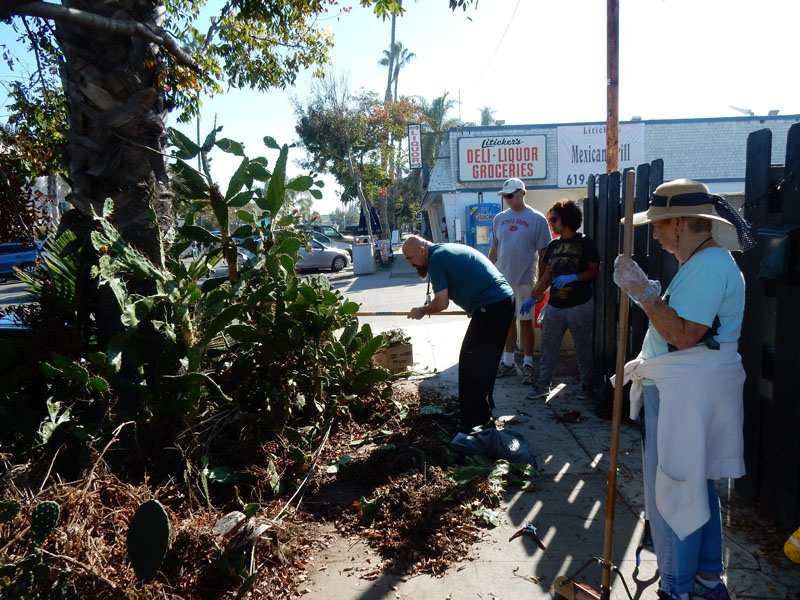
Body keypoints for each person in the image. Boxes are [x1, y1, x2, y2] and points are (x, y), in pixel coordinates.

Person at [612, 179, 754, 599]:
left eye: (658, 224)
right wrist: (650, 295)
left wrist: (642, 294)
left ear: (679, 224)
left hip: (684, 395)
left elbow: (683, 334)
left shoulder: (709, 265)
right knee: (694, 486)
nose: (653, 232)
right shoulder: (707, 263)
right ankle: (706, 580)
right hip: (687, 390)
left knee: (674, 492)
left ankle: (678, 588)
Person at [403, 235, 514, 431]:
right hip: (499, 303)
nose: (409, 263)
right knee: (481, 362)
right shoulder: (442, 251)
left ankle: (475, 422)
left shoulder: (436, 259)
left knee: (473, 363)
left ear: (421, 250)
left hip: (492, 306)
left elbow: (441, 303)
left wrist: (422, 310)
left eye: (410, 258)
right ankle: (479, 414)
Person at [522, 200, 599, 400]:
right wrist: (533, 298)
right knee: (548, 349)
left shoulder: (586, 242)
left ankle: (587, 387)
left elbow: (593, 271)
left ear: (565, 220)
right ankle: (542, 387)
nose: (551, 223)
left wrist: (574, 277)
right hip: (555, 306)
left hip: (580, 305)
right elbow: (547, 275)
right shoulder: (553, 246)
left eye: (553, 219)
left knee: (583, 349)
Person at [489, 178, 551, 382]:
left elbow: (544, 254)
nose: (507, 199)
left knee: (525, 323)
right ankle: (508, 362)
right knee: (507, 322)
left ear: (522, 193)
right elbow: (495, 249)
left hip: (526, 281)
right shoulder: (498, 219)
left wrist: (541, 285)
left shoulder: (537, 219)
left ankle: (527, 363)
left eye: (510, 195)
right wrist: (489, 274)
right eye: (504, 196)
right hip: (502, 282)